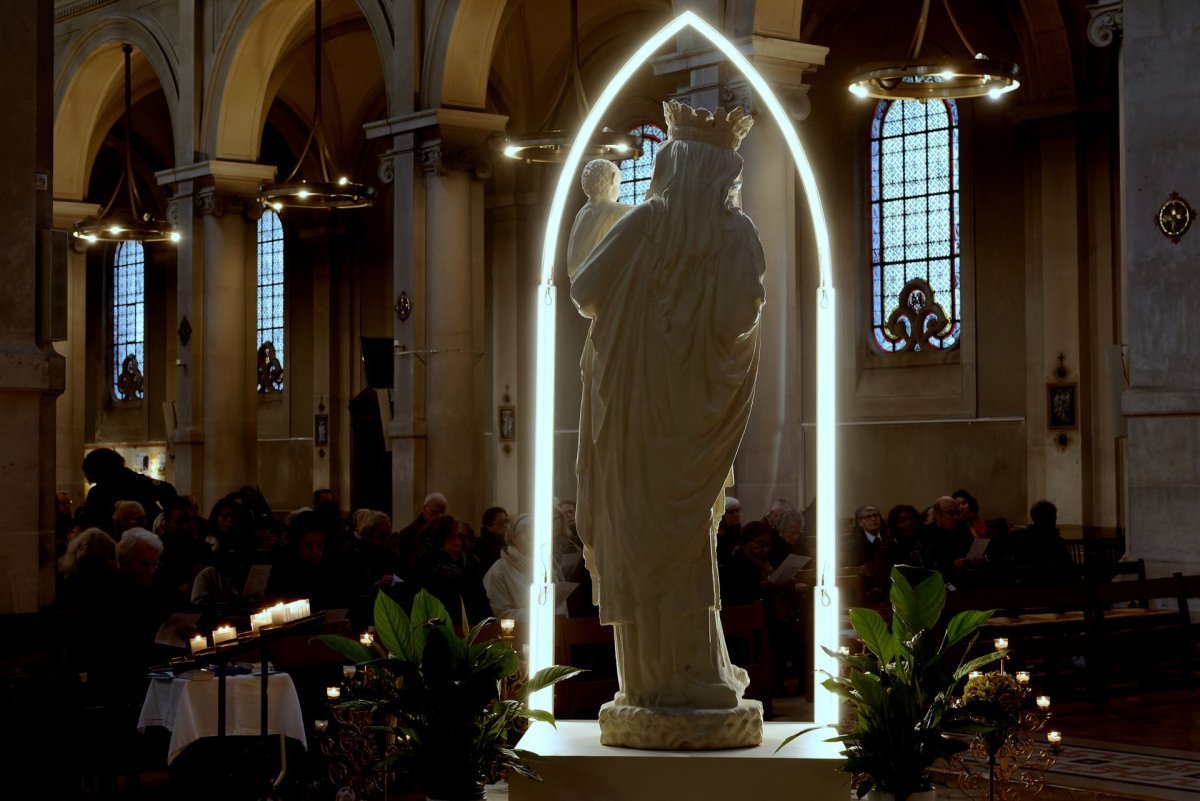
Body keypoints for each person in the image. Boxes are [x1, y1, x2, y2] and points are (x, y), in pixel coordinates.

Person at [572, 101, 764, 723]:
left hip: (633, 416)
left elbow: (584, 289)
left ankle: (650, 685)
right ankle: (696, 673)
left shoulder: (646, 222)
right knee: (687, 541)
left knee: (641, 536)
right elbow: (741, 316)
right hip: (692, 418)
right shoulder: (737, 232)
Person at [566, 159, 633, 278]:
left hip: (578, 282)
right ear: (613, 180)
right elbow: (650, 213)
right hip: (601, 281)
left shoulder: (582, 213)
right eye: (619, 183)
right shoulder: (617, 210)